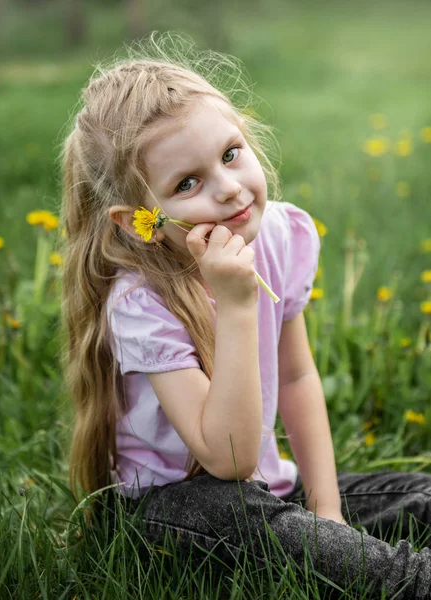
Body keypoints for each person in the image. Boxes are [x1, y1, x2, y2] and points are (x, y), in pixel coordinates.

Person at [59, 32, 431, 598]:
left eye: (231, 154)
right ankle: (408, 581)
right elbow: (228, 458)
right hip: (175, 511)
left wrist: (326, 507)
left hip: (268, 489)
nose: (231, 190)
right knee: (256, 523)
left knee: (414, 499)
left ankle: (331, 538)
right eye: (188, 184)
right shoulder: (141, 302)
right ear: (142, 218)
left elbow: (299, 377)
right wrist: (236, 307)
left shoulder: (279, 235)